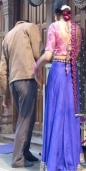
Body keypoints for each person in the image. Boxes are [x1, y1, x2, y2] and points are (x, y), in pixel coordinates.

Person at [34, 0, 85, 171]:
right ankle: (71, 161)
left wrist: (37, 64)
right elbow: (76, 55)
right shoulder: (77, 29)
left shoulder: (54, 27)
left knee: (55, 114)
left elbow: (48, 55)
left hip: (57, 72)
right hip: (71, 73)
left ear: (56, 14)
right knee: (70, 116)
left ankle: (54, 162)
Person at [0, 21, 44, 168]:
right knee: (25, 119)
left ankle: (25, 152)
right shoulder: (30, 27)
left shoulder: (7, 37)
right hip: (26, 78)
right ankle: (17, 159)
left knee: (28, 118)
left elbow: (2, 70)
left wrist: (5, 95)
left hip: (14, 82)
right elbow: (39, 52)